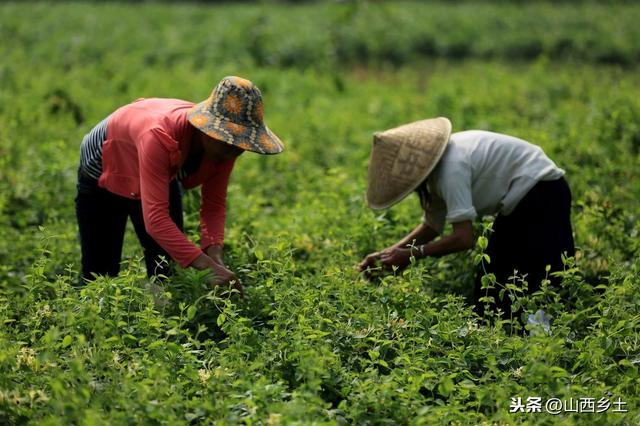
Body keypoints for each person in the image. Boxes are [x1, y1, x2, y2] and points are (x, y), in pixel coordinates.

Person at [76, 76, 284, 294]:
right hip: (105, 169)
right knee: (100, 275)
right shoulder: (158, 136)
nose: (234, 151)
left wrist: (214, 255)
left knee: (165, 268)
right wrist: (207, 267)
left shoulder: (225, 149)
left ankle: (159, 314)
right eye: (228, 140)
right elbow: (156, 222)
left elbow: (213, 205)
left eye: (240, 144)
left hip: (160, 167)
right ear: (208, 129)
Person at [358, 117, 575, 317]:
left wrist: (412, 254)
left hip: (542, 192)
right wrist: (386, 256)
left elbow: (464, 238)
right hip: (526, 197)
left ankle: (542, 342)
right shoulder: (434, 170)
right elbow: (431, 227)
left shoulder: (450, 170)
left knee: (532, 281)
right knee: (494, 284)